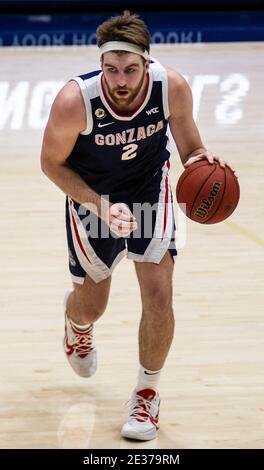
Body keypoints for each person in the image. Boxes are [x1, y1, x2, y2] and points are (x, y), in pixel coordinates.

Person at [40, 11, 236, 441]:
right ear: (101, 65)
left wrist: (204, 161)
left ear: (147, 63)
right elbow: (50, 163)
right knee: (92, 306)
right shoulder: (76, 101)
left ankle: (147, 393)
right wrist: (99, 205)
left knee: (159, 295)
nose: (120, 79)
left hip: (151, 194)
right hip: (92, 201)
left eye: (130, 69)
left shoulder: (172, 88)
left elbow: (191, 146)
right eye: (111, 69)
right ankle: (77, 325)